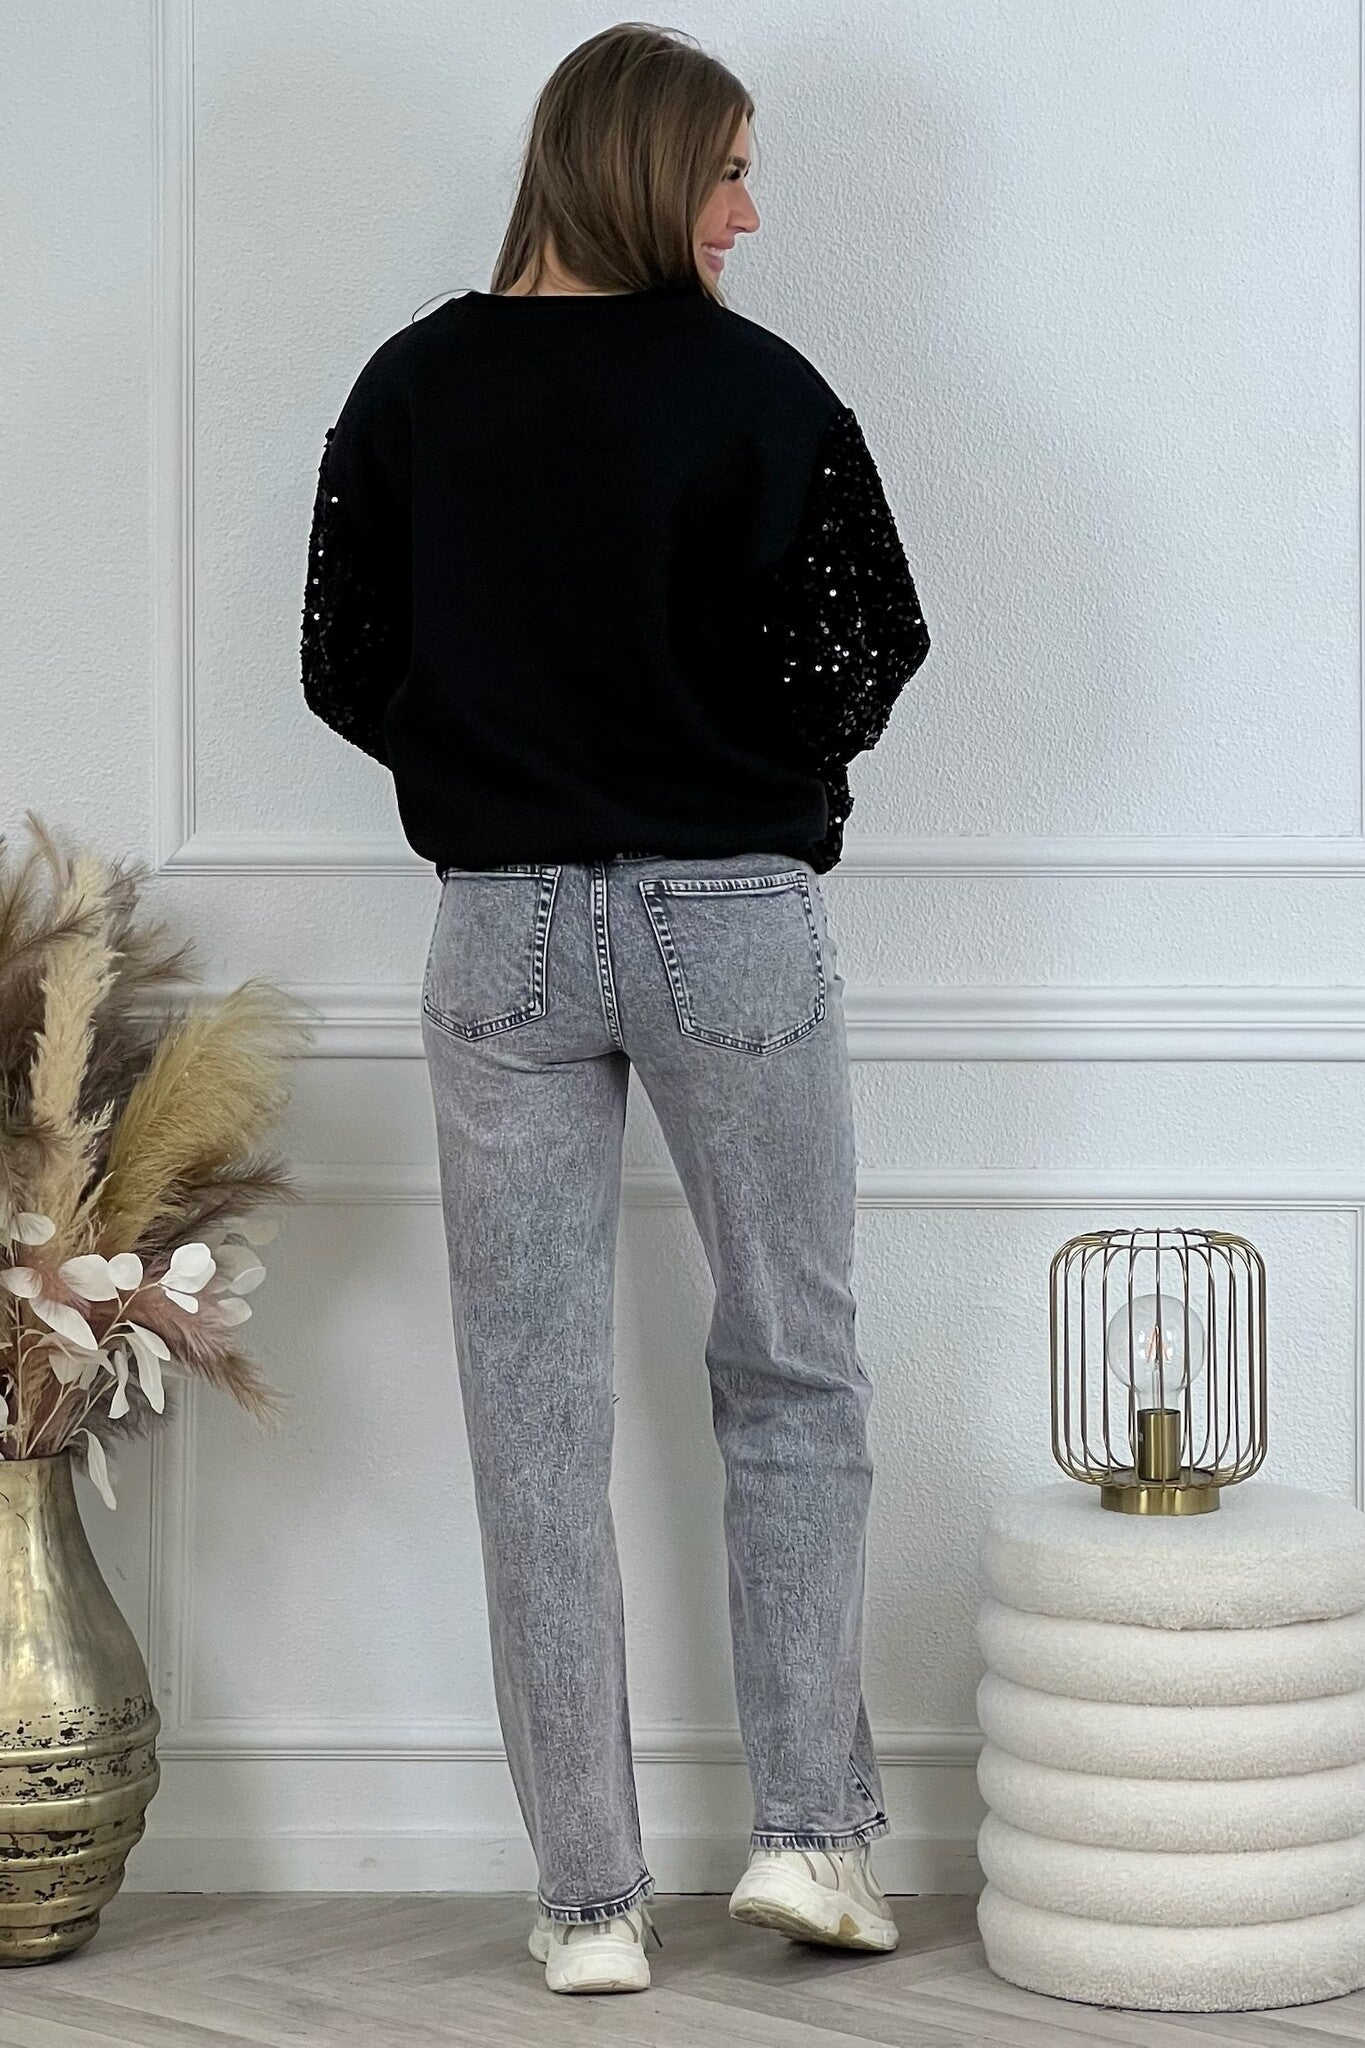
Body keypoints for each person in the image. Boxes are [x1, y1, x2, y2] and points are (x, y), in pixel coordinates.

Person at [300, 20, 931, 1999]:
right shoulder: (757, 390)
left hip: (499, 930)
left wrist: (502, 758)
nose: (747, 212)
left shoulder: (412, 386)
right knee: (793, 1372)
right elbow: (867, 649)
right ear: (647, 169)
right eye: (728, 169)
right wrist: (726, 762)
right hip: (731, 917)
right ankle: (811, 1836)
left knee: (530, 1415)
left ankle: (586, 1901)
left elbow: (346, 662)